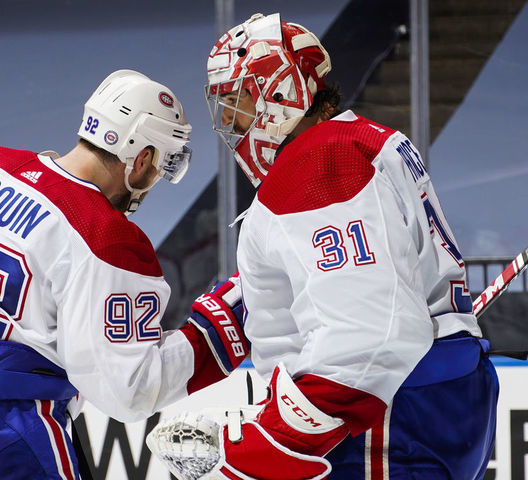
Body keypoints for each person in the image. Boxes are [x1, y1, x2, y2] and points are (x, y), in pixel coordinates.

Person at [148, 13, 498, 480]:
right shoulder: (359, 142)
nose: (230, 122)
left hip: (391, 415)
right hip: (425, 398)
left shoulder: (322, 162)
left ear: (282, 93)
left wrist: (271, 445)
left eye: (239, 101)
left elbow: (369, 336)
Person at [0, 69, 248, 479]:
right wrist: (220, 327)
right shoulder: (104, 235)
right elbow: (127, 388)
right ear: (142, 158)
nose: (152, 183)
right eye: (159, 167)